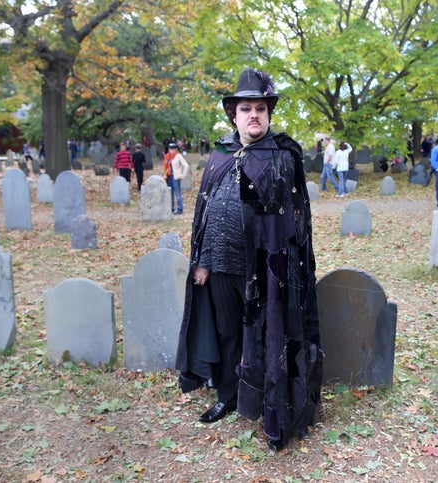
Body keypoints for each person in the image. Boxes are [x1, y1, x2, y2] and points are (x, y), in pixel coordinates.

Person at [175, 67, 322, 452]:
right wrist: (202, 260)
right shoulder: (221, 153)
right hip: (221, 265)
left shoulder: (283, 155)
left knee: (266, 334)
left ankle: (269, 406)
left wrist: (284, 271)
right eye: (245, 108)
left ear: (268, 113)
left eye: (260, 108)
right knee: (227, 333)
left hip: (266, 270)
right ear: (233, 114)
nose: (253, 114)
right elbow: (204, 212)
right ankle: (228, 394)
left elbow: (293, 221)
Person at [171, 144, 189, 214]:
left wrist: (183, 175)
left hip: (176, 176)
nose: (171, 151)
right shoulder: (169, 156)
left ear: (175, 149)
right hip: (170, 176)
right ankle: (171, 208)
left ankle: (180, 208)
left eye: (172, 149)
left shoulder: (178, 156)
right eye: (170, 149)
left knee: (177, 193)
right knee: (171, 193)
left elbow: (186, 165)